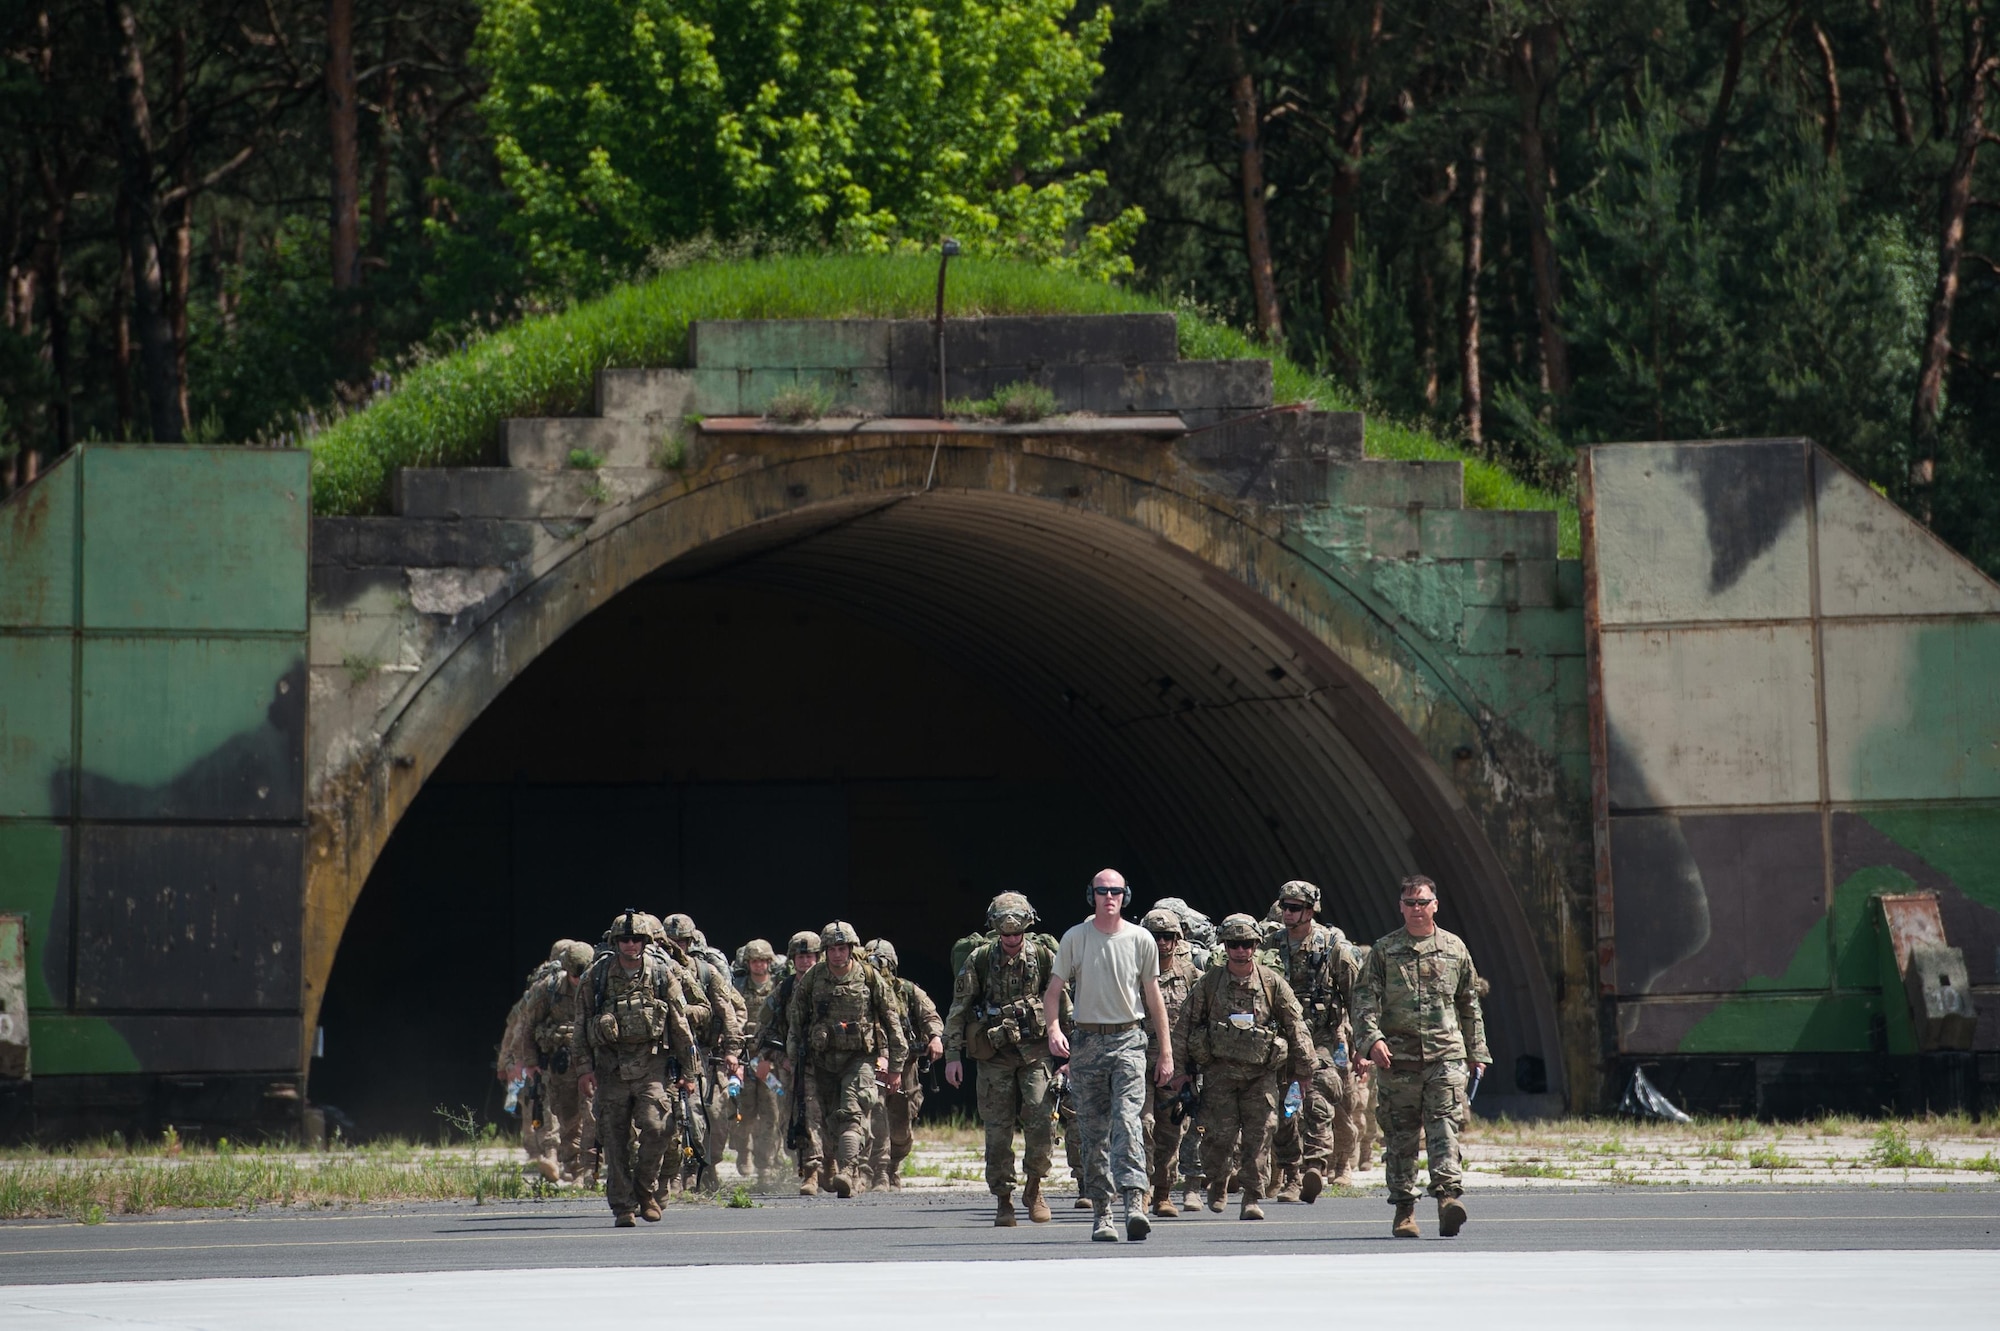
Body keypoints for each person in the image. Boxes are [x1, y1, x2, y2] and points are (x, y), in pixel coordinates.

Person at [1355, 874, 1489, 1239]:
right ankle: (1404, 1210)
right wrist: (1372, 1041)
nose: (1417, 909)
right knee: (1400, 1136)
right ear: (1401, 907)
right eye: (1410, 903)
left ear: (1435, 905)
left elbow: (1469, 1003)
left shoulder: (1454, 948)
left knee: (1444, 1128)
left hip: (1445, 1054)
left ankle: (1448, 1199)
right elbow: (1365, 1000)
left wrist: (1477, 1051)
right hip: (1397, 1059)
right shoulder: (1384, 951)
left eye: (1423, 902)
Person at [1044, 868, 1173, 1243]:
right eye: (1102, 891)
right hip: (1087, 1043)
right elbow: (1053, 991)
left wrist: (1164, 1052)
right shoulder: (1075, 938)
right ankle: (1102, 1212)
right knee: (1093, 1130)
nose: (1109, 897)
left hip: (1129, 1040)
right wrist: (1054, 1029)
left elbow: (1154, 998)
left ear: (1125, 896)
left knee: (1129, 1120)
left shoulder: (1141, 939)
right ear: (1092, 896)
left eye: (1115, 891)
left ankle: (1135, 1202)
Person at [1170, 913, 1313, 1220]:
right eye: (1234, 944)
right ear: (1225, 946)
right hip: (1219, 1074)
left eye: (1246, 944)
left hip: (1259, 1076)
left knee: (1259, 1137)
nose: (1240, 950)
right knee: (1218, 1138)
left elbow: (1296, 1025)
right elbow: (1185, 1026)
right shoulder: (1210, 983)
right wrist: (1180, 1071)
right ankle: (1218, 1182)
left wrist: (1304, 1070)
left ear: (1255, 946)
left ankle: (1252, 1197)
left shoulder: (1272, 983)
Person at [571, 909, 700, 1226]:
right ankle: (623, 1206)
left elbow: (680, 1024)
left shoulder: (660, 974)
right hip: (611, 1070)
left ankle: (646, 1191)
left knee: (658, 1128)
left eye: (637, 939)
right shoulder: (596, 977)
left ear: (645, 942)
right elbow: (579, 1027)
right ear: (616, 942)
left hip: (651, 1067)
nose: (631, 944)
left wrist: (689, 1072)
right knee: (614, 1141)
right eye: (625, 939)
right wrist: (583, 1069)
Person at [944, 901, 1062, 1226]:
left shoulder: (1042, 957)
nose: (1012, 939)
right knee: (997, 1132)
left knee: (1042, 1122)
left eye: (1018, 933)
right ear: (996, 930)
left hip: (1035, 1051)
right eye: (1005, 934)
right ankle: (1003, 1200)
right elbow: (959, 1008)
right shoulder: (979, 960)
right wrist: (953, 1056)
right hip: (994, 1055)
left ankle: (1034, 1188)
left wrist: (1070, 1051)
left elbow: (1061, 1002)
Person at [785, 920, 908, 1198]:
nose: (837, 954)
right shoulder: (813, 979)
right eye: (832, 949)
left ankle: (849, 1171)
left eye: (842, 948)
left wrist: (896, 1066)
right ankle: (814, 1171)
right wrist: (796, 1061)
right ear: (825, 950)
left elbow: (891, 1021)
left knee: (852, 1112)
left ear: (851, 949)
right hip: (819, 1060)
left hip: (859, 1058)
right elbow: (796, 1022)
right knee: (816, 1116)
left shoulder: (868, 977)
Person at [1266, 880, 1358, 1201]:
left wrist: (1361, 1045)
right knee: (1284, 1108)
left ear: (1310, 910)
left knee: (1317, 1098)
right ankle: (1291, 1174)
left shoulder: (1333, 948)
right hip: (1280, 1040)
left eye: (1294, 908)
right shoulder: (1268, 945)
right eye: (1284, 907)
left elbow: (1356, 1001)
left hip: (1321, 1039)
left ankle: (1316, 1165)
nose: (1287, 914)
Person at [864, 938, 943, 1190]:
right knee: (874, 1115)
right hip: (871, 1061)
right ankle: (879, 1172)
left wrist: (934, 1038)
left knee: (901, 1126)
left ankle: (893, 1164)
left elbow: (930, 1015)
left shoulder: (907, 991)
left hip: (904, 1063)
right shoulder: (861, 993)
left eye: (882, 964)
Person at [754, 930, 827, 1194]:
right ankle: (810, 1171)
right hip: (794, 1067)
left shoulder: (830, 986)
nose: (805, 962)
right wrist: (779, 1057)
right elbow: (765, 1031)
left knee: (828, 1117)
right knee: (798, 1118)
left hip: (831, 1065)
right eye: (800, 957)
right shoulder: (783, 991)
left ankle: (824, 1170)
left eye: (810, 956)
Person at [1139, 908, 1199, 1217]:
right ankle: (1142, 1190)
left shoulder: (1190, 975)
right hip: (1137, 1062)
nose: (1162, 943)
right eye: (1156, 937)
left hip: (1174, 1066)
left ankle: (1164, 1192)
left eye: (1169, 937)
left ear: (1178, 940)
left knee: (1172, 1131)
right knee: (1142, 1126)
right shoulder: (1132, 973)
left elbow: (1202, 1017)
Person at [729, 938, 785, 1187]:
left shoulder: (779, 988)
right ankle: (743, 1151)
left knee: (772, 1115)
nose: (759, 965)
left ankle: (766, 1166)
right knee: (743, 1113)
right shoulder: (738, 987)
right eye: (754, 961)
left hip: (770, 1061)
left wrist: (772, 1059)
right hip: (744, 1059)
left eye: (763, 961)